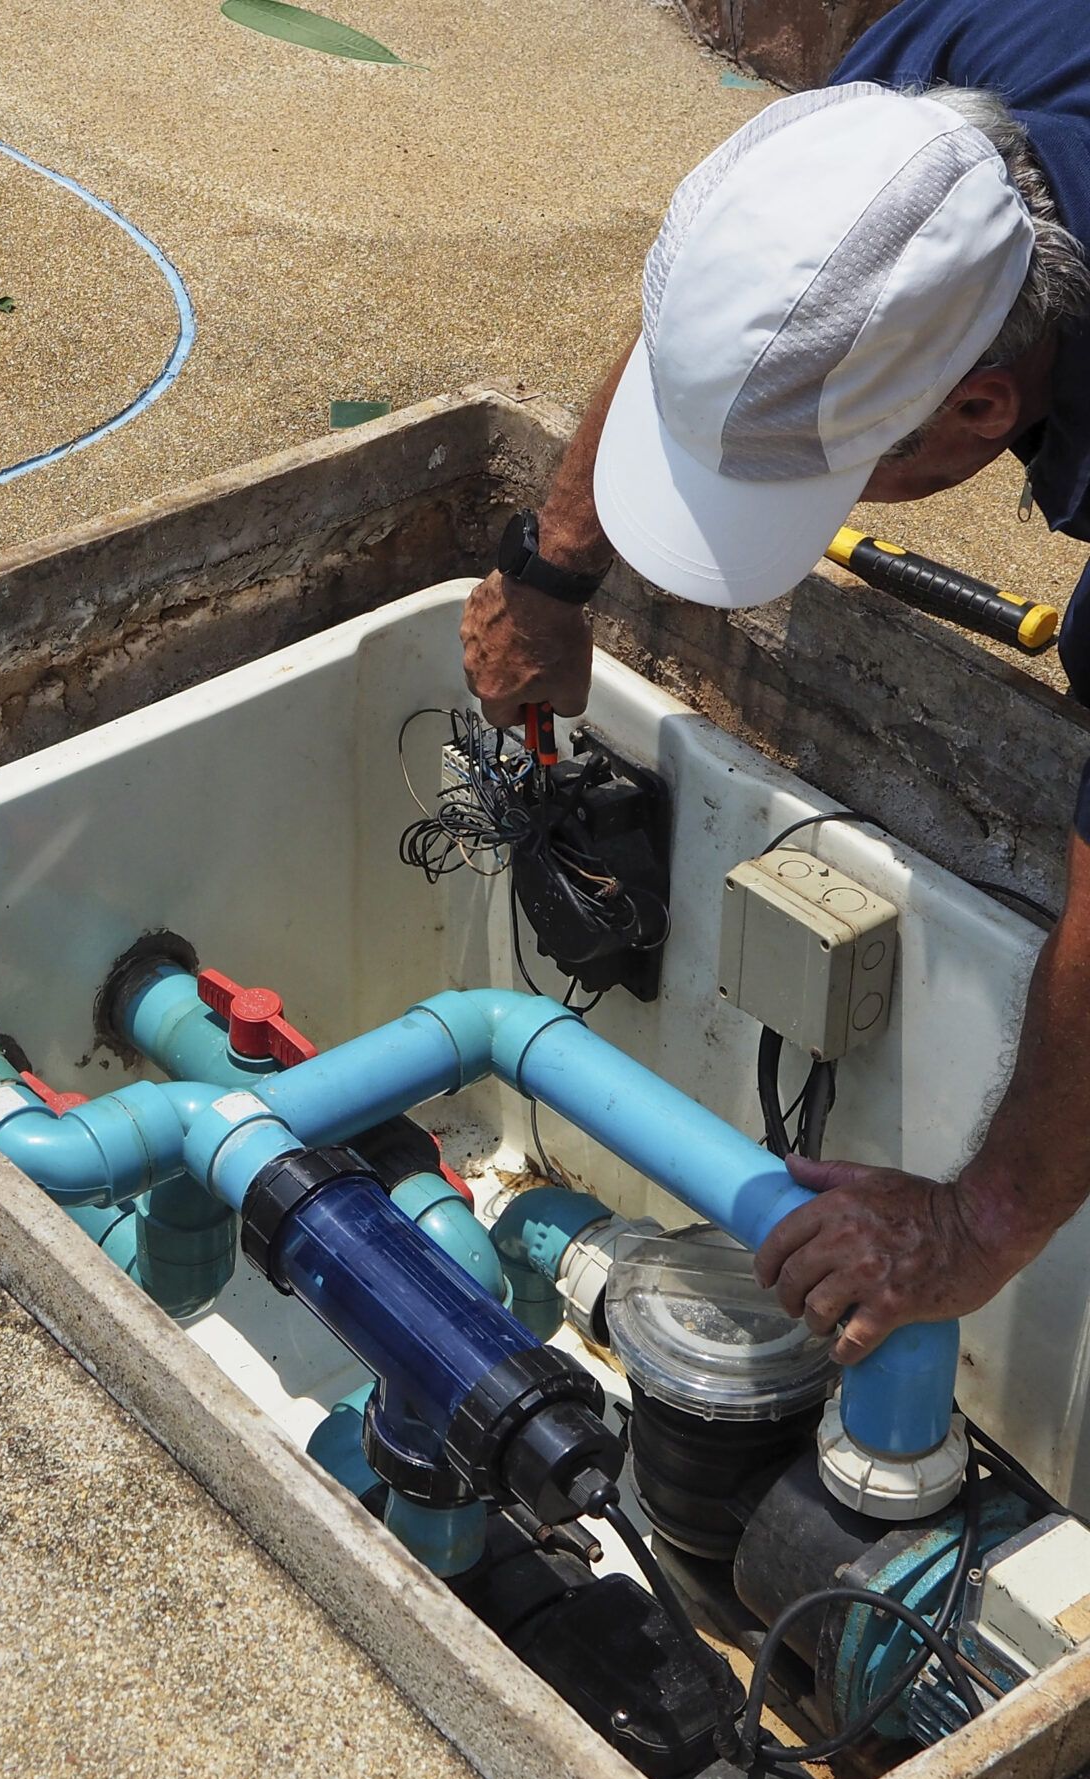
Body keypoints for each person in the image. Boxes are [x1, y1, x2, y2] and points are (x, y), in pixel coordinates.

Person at [457, 0, 1090, 1367]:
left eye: (826, 468)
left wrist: (977, 1227)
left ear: (986, 408)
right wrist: (547, 575)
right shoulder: (935, 97)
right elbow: (738, 318)